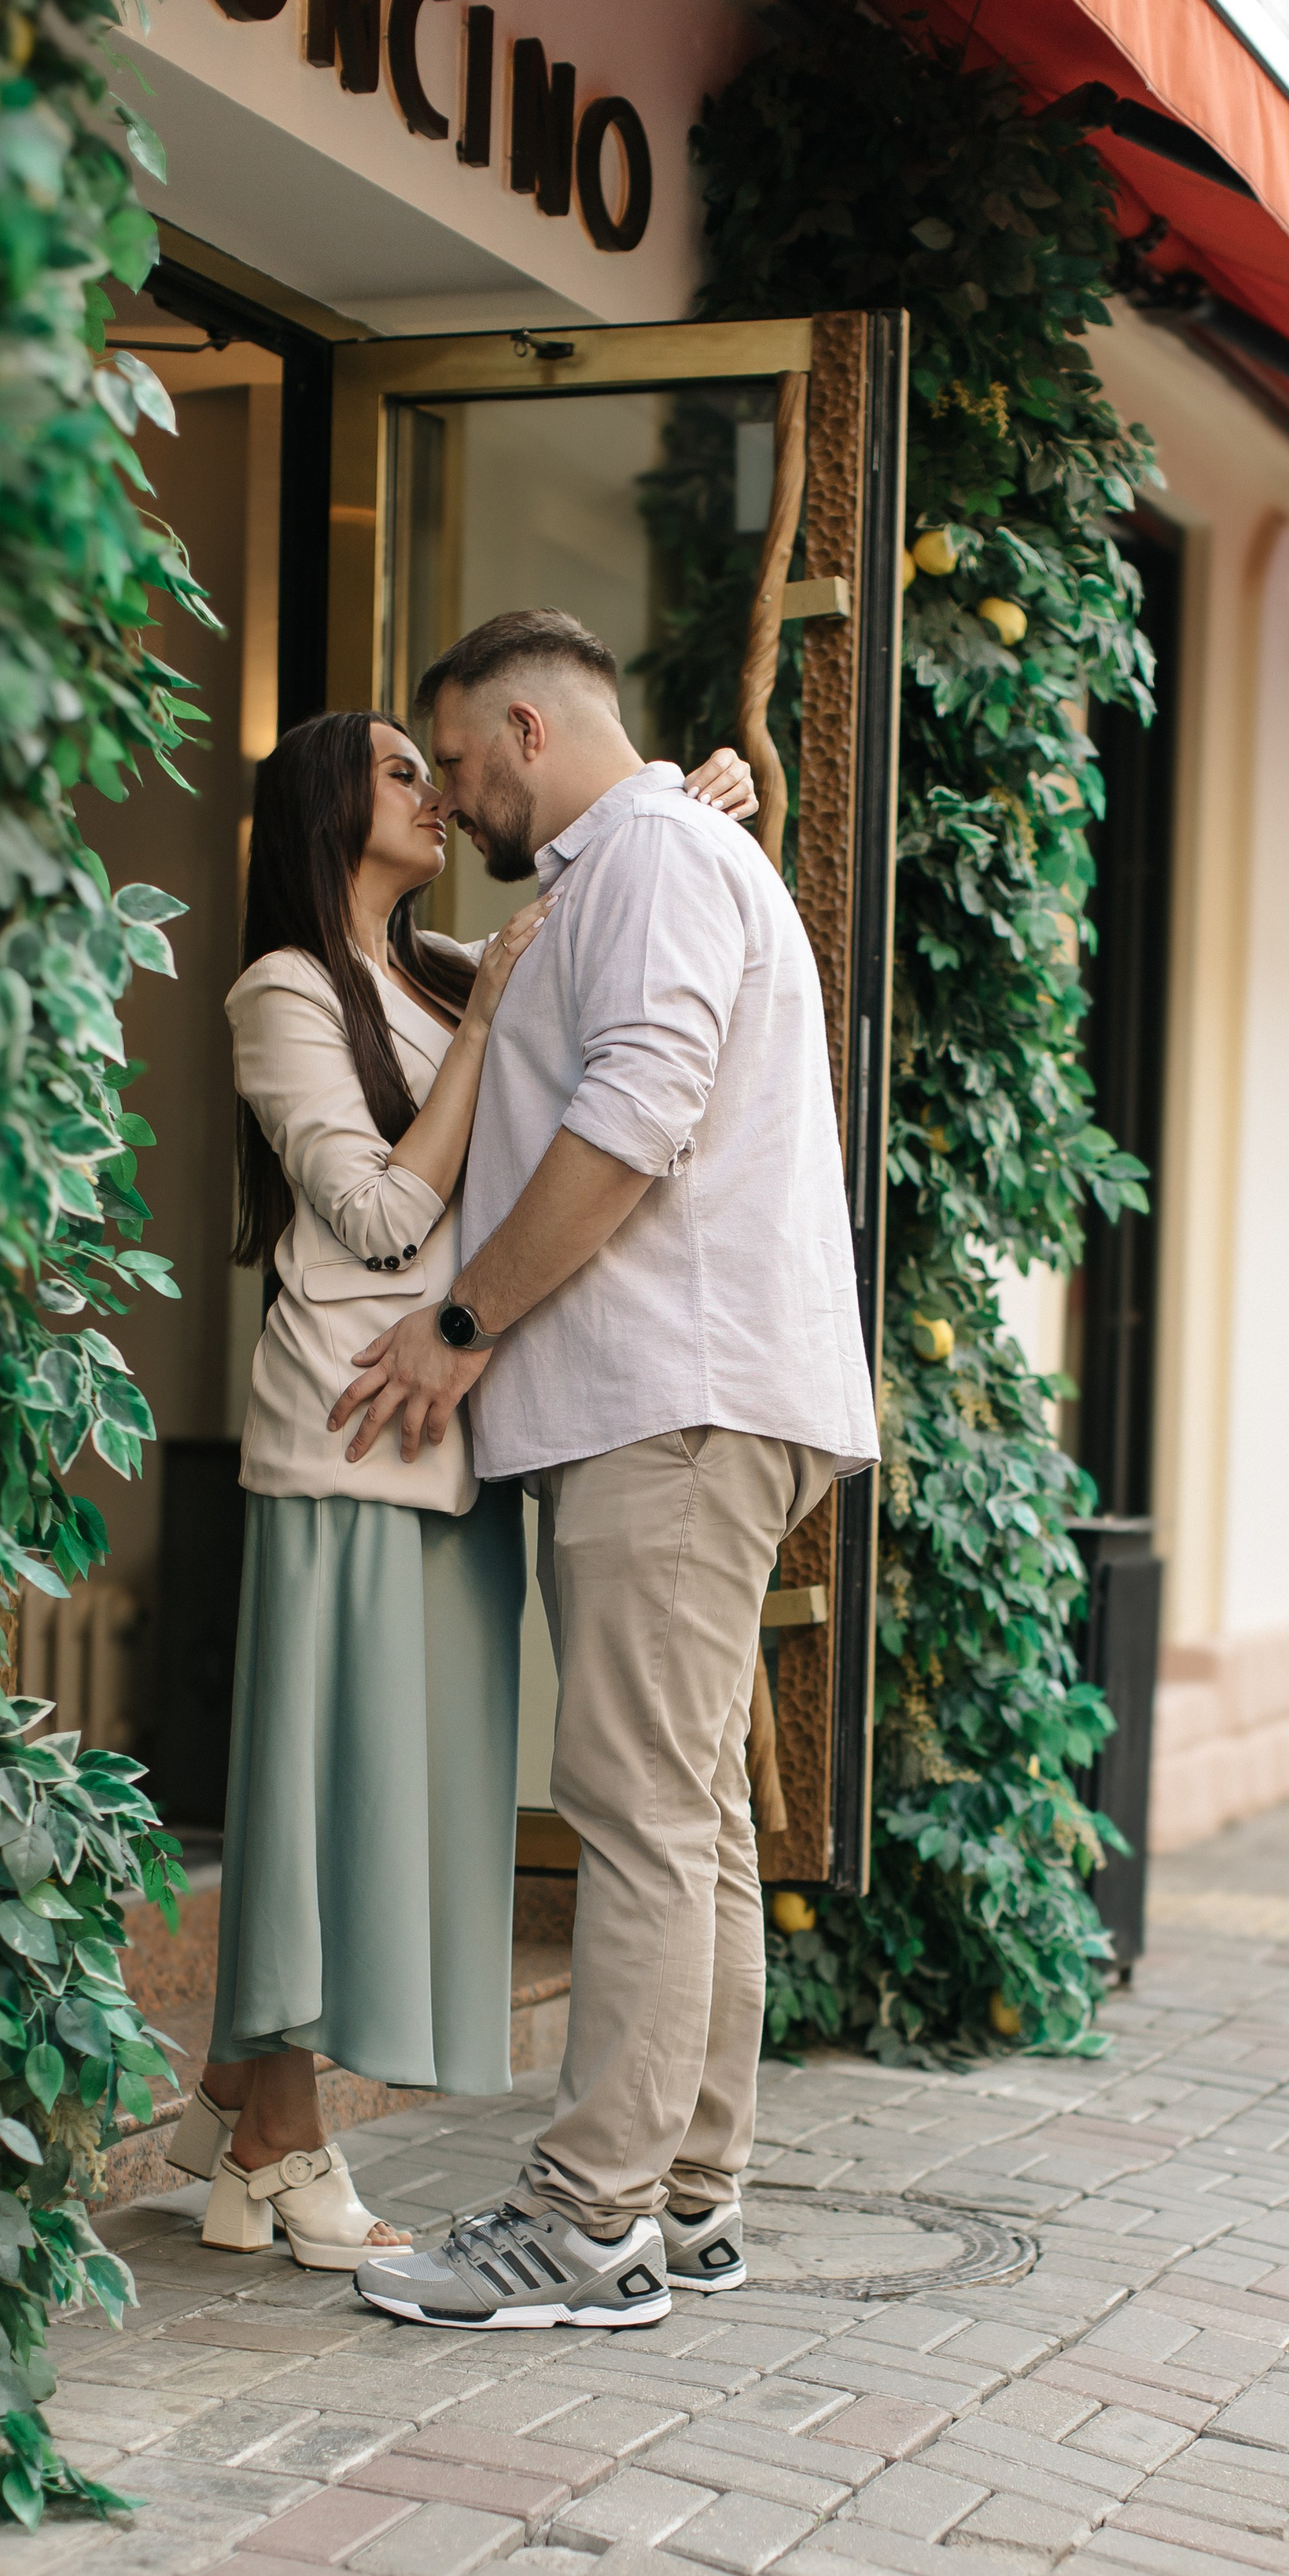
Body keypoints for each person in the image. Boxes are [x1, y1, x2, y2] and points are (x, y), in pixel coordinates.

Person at [331, 608, 880, 2334]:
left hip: (676, 1399)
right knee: (694, 1812)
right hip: (720, 1392)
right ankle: (687, 2196)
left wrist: (464, 1322)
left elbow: (633, 1120)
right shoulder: (652, 855)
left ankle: (583, 2222)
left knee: (638, 1813)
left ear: (524, 725)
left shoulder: (646, 857)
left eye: (461, 761)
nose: (459, 797)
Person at [166, 703, 757, 2271]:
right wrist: (488, 1033)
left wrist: (694, 797)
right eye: (398, 769)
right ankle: (279, 2145)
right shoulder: (282, 991)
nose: (436, 789)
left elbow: (596, 883)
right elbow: (367, 1220)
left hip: (457, 1454)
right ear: (323, 809)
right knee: (317, 1807)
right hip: (346, 1443)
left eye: (439, 766)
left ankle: (243, 2114)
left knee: (387, 1811)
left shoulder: (439, 971)